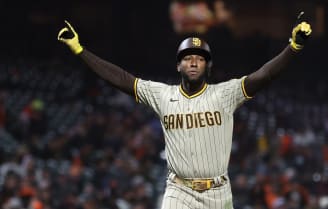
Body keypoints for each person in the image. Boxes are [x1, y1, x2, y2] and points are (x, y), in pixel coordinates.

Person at [57, 14, 311, 209]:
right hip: (179, 191)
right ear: (178, 65)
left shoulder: (225, 94)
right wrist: (80, 50)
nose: (193, 61)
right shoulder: (162, 95)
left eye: (199, 58)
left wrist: (293, 47)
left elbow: (264, 75)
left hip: (218, 192)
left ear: (207, 66)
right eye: (188, 57)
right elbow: (122, 79)